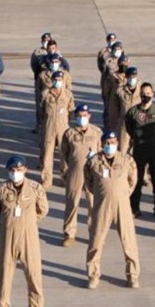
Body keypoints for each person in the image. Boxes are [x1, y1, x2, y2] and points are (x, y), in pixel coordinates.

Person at [0, 155, 47, 307]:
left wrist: (28, 220)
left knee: (34, 274)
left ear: (25, 169)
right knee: (5, 274)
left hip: (29, 236)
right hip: (7, 236)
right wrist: (9, 221)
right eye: (12, 170)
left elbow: (43, 210)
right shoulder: (0, 189)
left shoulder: (35, 188)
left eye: (19, 169)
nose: (15, 173)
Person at [85, 130, 140, 289]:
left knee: (129, 241)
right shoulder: (93, 162)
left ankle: (133, 275)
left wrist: (123, 193)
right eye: (107, 143)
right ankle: (93, 275)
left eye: (113, 142)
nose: (110, 145)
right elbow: (89, 183)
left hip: (122, 205)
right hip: (102, 205)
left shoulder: (126, 160)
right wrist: (102, 193)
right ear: (102, 144)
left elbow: (132, 180)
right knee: (96, 240)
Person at [125, 82, 155, 219]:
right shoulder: (133, 112)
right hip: (139, 149)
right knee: (137, 179)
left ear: (153, 94)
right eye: (143, 94)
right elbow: (129, 127)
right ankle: (134, 207)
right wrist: (137, 138)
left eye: (148, 94)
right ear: (140, 95)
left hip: (154, 149)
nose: (146, 96)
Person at [60, 104, 102, 246]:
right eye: (79, 116)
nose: (82, 118)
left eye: (84, 115)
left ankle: (95, 234)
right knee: (72, 201)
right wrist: (67, 169)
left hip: (93, 172)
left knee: (93, 203)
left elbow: (102, 152)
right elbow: (64, 153)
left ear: (89, 116)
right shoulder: (69, 133)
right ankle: (69, 234)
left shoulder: (96, 132)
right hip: (75, 171)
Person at [40, 71, 74, 188]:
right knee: (47, 154)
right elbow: (42, 111)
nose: (57, 82)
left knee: (64, 153)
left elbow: (71, 110)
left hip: (62, 127)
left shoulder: (68, 95)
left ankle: (64, 177)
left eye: (59, 80)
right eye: (55, 80)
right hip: (49, 126)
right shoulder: (46, 94)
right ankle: (46, 179)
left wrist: (65, 121)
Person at [110, 65, 141, 151]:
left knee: (138, 150)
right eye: (130, 77)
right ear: (126, 78)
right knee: (122, 149)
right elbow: (114, 110)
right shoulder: (120, 91)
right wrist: (114, 126)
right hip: (124, 124)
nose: (132, 79)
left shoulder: (142, 90)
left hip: (138, 123)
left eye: (134, 77)